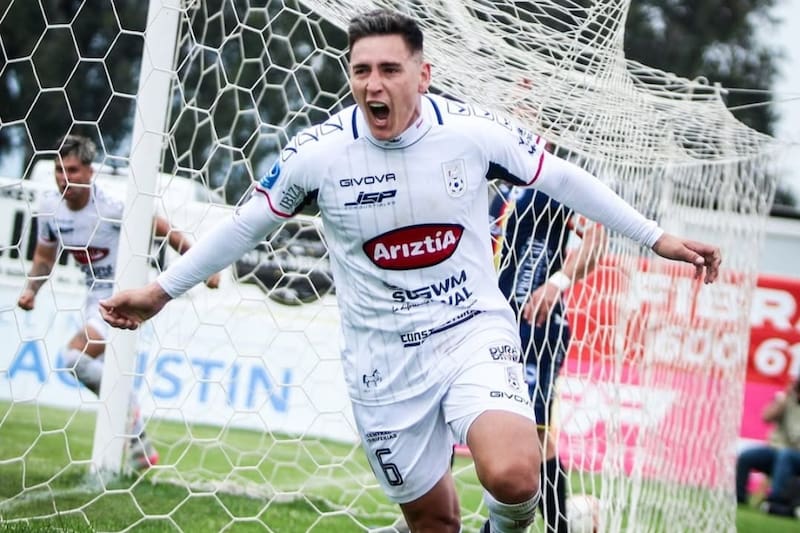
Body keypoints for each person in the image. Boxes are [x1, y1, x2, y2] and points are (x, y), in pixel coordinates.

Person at [99, 9, 721, 532]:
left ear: (422, 75)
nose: (374, 85)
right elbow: (244, 225)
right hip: (383, 361)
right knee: (435, 522)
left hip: (471, 332)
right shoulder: (319, 154)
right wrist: (160, 291)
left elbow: (561, 178)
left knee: (514, 475)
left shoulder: (471, 134)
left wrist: (656, 237)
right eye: (361, 70)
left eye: (390, 70)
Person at [18, 134, 220, 470]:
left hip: (126, 298)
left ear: (90, 171)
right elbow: (43, 258)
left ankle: (130, 416)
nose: (64, 178)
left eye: (72, 170)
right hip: (94, 299)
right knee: (100, 369)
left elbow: (164, 229)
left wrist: (205, 267)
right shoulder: (49, 208)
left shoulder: (112, 207)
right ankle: (140, 447)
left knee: (75, 357)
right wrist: (31, 291)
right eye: (58, 170)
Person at [489, 172, 607, 532]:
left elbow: (596, 238)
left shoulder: (555, 180)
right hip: (488, 323)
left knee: (534, 434)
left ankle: (558, 526)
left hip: (535, 327)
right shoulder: (499, 182)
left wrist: (557, 283)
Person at [736, 375, 800, 513]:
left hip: (795, 455)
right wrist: (784, 400)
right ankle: (739, 497)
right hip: (776, 450)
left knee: (785, 456)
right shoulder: (786, 400)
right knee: (746, 456)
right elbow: (766, 417)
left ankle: (774, 500)